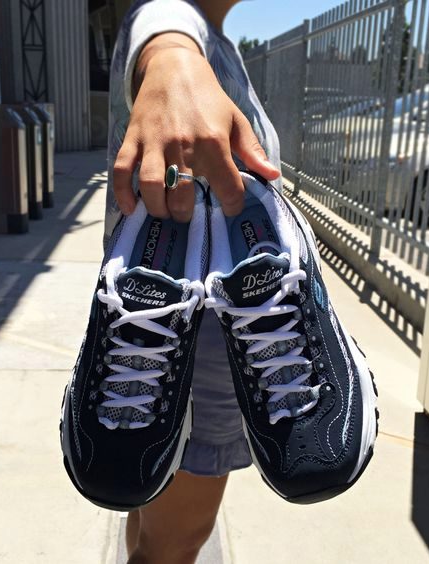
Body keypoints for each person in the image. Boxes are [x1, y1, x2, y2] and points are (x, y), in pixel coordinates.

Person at [105, 1, 282, 562]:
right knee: (177, 544)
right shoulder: (174, 16)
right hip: (196, 342)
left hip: (168, 334)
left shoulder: (220, 42)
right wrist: (172, 63)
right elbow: (164, 38)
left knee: (150, 523)